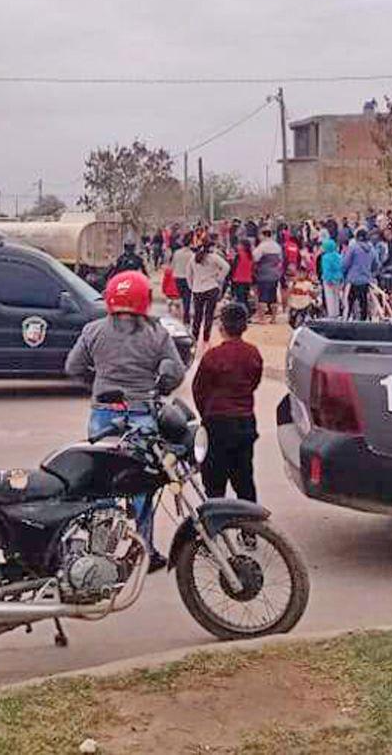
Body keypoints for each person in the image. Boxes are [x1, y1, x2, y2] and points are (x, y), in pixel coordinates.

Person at [64, 271, 186, 571]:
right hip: (142, 416)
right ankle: (142, 552)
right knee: (142, 486)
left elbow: (73, 367)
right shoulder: (157, 333)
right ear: (144, 300)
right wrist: (161, 387)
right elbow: (176, 373)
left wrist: (97, 386)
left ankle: (100, 554)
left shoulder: (93, 331)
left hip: (103, 416)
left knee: (103, 484)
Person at [192, 303, 263, 502]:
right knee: (244, 479)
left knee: (214, 483)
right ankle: (250, 528)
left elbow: (199, 390)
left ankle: (215, 529)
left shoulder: (212, 357)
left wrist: (206, 414)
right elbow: (254, 383)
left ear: (221, 327)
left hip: (217, 423)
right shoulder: (253, 353)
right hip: (245, 421)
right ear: (244, 327)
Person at [186, 243, 229, 346]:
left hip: (197, 289)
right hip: (211, 287)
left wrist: (192, 286)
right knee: (209, 314)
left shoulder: (193, 258)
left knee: (197, 315)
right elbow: (226, 267)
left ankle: (194, 337)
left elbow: (188, 274)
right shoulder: (214, 257)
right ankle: (206, 338)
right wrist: (219, 278)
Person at [342, 230, 377, 320]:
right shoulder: (372, 249)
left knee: (349, 303)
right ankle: (363, 321)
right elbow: (376, 264)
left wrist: (344, 273)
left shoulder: (353, 248)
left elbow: (346, 263)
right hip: (366, 280)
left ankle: (346, 321)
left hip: (353, 280)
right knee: (363, 302)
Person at [252, 228, 284, 323]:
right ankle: (274, 318)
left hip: (263, 273)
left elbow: (255, 258)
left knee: (262, 296)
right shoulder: (277, 246)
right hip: (275, 273)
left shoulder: (262, 246)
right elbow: (280, 259)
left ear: (263, 235)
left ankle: (262, 318)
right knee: (273, 296)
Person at [170, 234, 194, 325]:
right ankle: (186, 315)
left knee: (180, 296)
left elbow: (172, 265)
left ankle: (180, 313)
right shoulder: (191, 255)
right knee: (187, 297)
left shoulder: (177, 253)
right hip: (188, 277)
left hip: (178, 276)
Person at [319, 236, 345, 318]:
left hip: (329, 280)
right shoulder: (339, 256)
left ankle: (331, 314)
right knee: (336, 297)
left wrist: (328, 279)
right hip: (338, 279)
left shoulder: (325, 257)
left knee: (329, 297)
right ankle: (337, 313)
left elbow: (326, 270)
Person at [229, 238, 255, 309]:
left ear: (243, 246)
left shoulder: (238, 255)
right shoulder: (251, 256)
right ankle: (247, 314)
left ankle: (241, 315)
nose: (237, 246)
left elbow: (233, 267)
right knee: (245, 298)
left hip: (238, 279)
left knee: (240, 299)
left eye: (239, 244)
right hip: (248, 279)